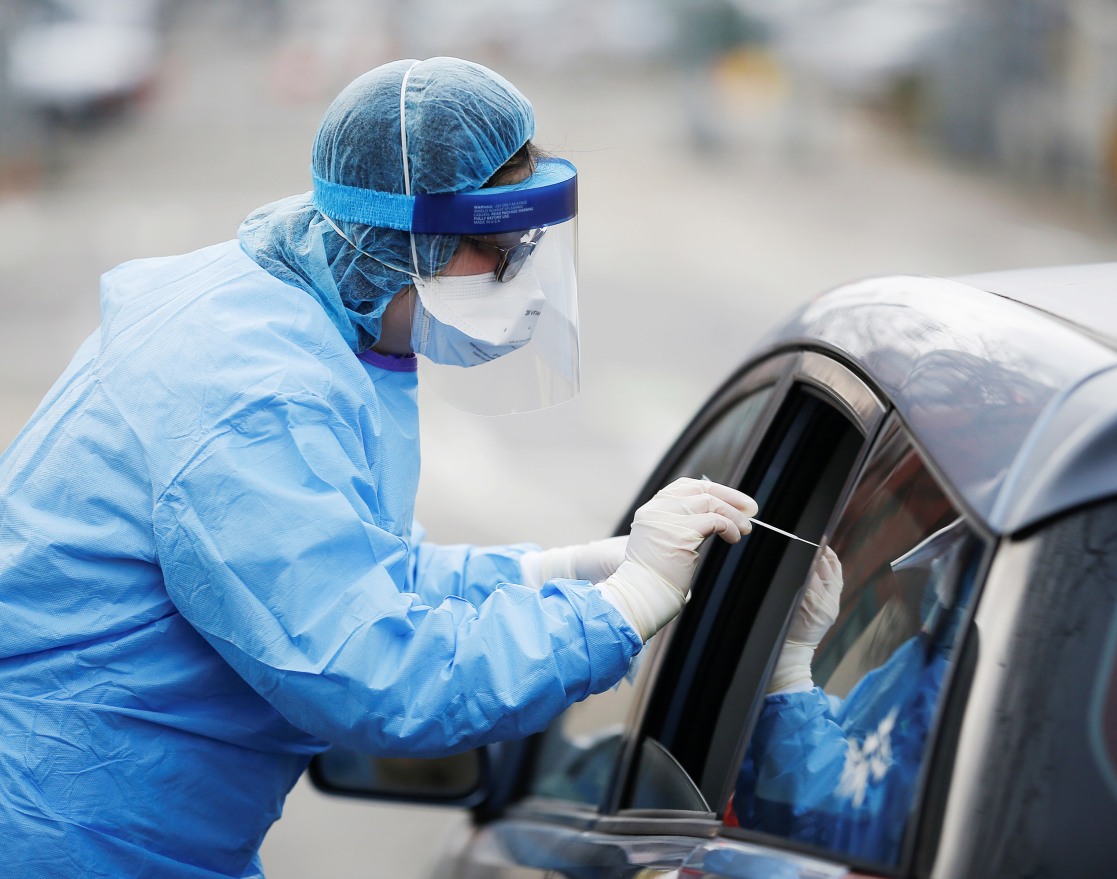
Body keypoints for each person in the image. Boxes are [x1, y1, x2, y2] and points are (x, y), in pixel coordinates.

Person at [0, 58, 757, 878]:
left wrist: (565, 571)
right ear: (402, 238)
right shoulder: (253, 393)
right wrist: (624, 605)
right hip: (71, 838)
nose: (524, 282)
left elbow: (356, 569)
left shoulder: (300, 315)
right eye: (498, 252)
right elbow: (374, 674)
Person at [732, 534, 970, 864]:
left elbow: (840, 836)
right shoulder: (936, 655)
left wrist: (789, 680)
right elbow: (856, 730)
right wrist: (785, 691)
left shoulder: (974, 691)